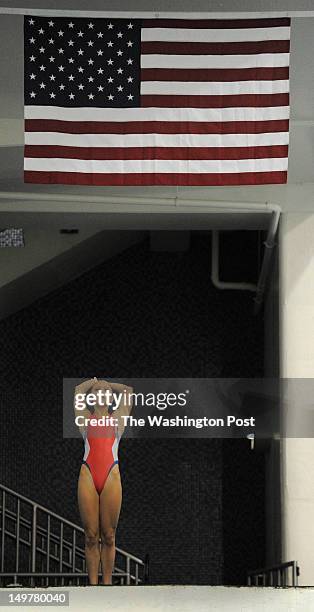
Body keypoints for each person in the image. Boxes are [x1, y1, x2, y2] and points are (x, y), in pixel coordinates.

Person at [74, 378, 133, 585]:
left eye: (106, 391)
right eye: (97, 391)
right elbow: (78, 390)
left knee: (109, 535)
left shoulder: (117, 419)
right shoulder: (84, 419)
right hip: (88, 474)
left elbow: (128, 390)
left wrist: (107, 384)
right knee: (91, 535)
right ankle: (93, 585)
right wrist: (94, 382)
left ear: (111, 398)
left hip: (111, 475)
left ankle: (107, 586)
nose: (101, 392)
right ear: (91, 397)